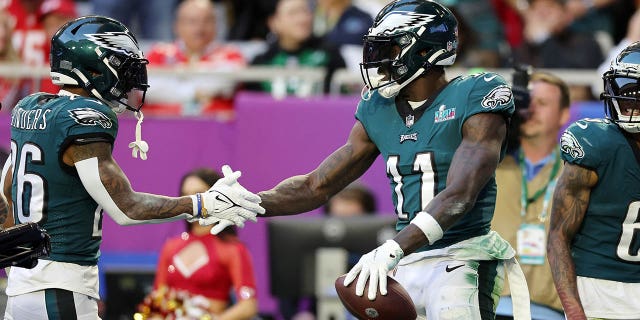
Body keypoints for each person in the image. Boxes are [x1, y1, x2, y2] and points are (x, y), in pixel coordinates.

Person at [256, 1, 531, 319]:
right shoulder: (377, 106)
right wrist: (246, 203)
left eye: (391, 48)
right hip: (408, 259)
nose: (380, 60)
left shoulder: (476, 92)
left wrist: (392, 247)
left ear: (426, 51)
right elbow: (315, 186)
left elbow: (460, 195)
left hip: (461, 256)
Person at [0, 16, 263, 319]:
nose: (130, 78)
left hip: (22, 286)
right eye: (123, 67)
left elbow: (6, 193)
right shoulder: (85, 116)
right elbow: (127, 209)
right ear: (95, 68)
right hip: (60, 288)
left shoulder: (31, 107)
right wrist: (203, 203)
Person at [547, 42, 640, 320]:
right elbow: (558, 236)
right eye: (625, 90)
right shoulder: (598, 144)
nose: (629, 99)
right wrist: (574, 310)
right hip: (599, 294)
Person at [492, 72, 570, 319]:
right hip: (491, 307)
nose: (532, 110)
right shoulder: (488, 163)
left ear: (564, 114)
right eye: (527, 103)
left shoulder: (578, 173)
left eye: (543, 103)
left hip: (551, 311)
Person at [140, 167, 259, 320]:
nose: (190, 202)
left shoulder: (233, 249)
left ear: (219, 198)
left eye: (198, 195)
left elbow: (248, 306)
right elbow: (157, 299)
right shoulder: (171, 247)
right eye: (185, 195)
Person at [145, 0, 246, 118]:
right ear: (177, 26)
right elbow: (145, 90)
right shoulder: (158, 53)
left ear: (216, 25)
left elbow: (225, 82)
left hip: (215, 128)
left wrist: (175, 81)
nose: (200, 28)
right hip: (162, 126)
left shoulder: (231, 54)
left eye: (207, 21)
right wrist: (196, 91)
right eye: (192, 21)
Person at [248, 0, 346, 96]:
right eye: (293, 13)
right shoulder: (263, 62)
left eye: (305, 11)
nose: (302, 19)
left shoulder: (328, 55)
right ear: (273, 22)